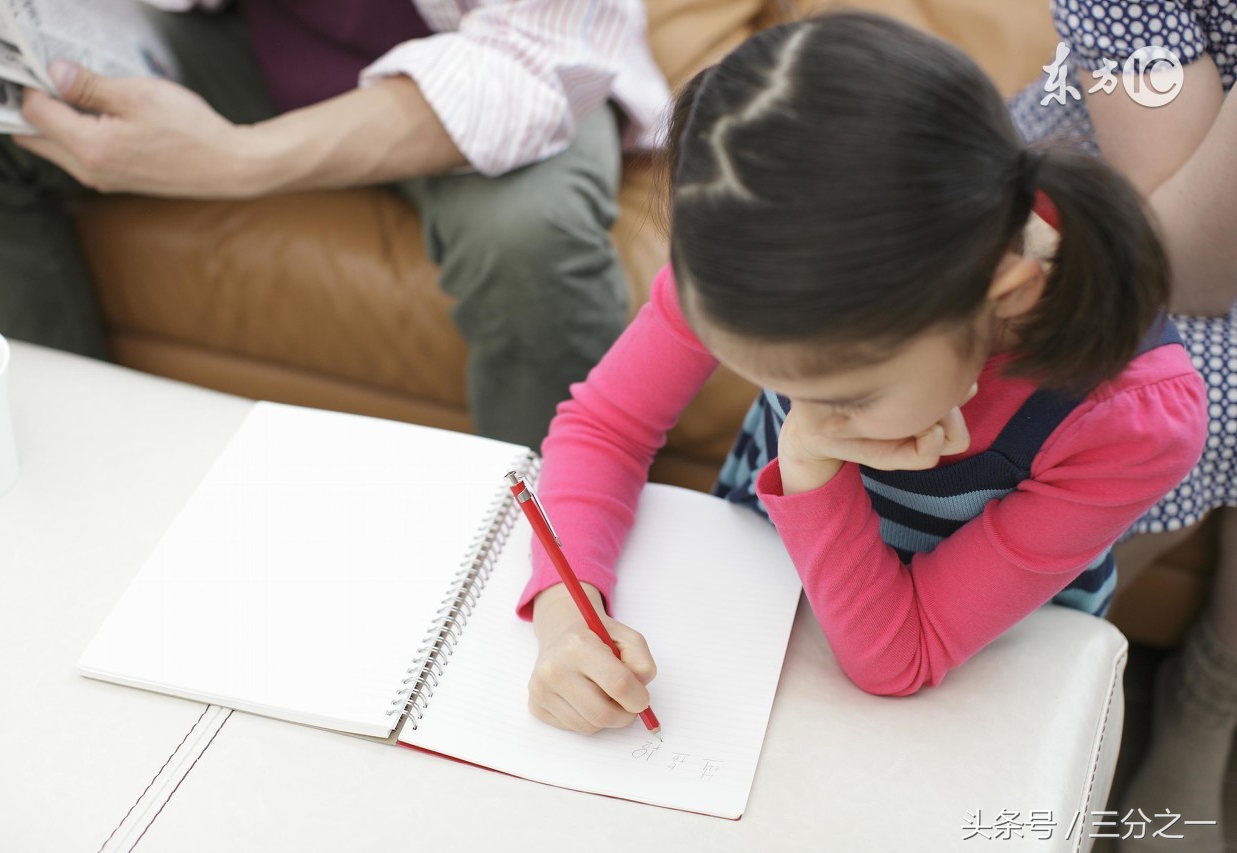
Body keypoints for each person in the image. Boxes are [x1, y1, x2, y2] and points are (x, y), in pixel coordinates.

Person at [517, 10, 1208, 757]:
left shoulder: (1130, 419)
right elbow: (604, 425)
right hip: (765, 592)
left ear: (1006, 294)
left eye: (843, 398)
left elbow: (900, 656)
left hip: (970, 687)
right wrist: (567, 615)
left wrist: (811, 462)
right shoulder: (754, 260)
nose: (804, 410)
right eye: (774, 383)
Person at [0, 0, 670, 450]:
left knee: (528, 239)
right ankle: (41, 454)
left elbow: (541, 56)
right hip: (258, 33)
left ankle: (548, 552)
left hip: (496, 57)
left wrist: (232, 159)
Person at [1010, 3, 1237, 849]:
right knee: (1179, 388)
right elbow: (1188, 265)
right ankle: (1042, 669)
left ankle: (1208, 702)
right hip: (1147, 224)